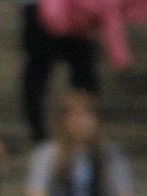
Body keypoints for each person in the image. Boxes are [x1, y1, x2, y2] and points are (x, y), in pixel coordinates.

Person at [20, 0, 102, 142]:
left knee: (84, 70)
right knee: (38, 71)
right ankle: (37, 130)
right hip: (40, 9)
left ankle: (84, 123)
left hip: (76, 8)